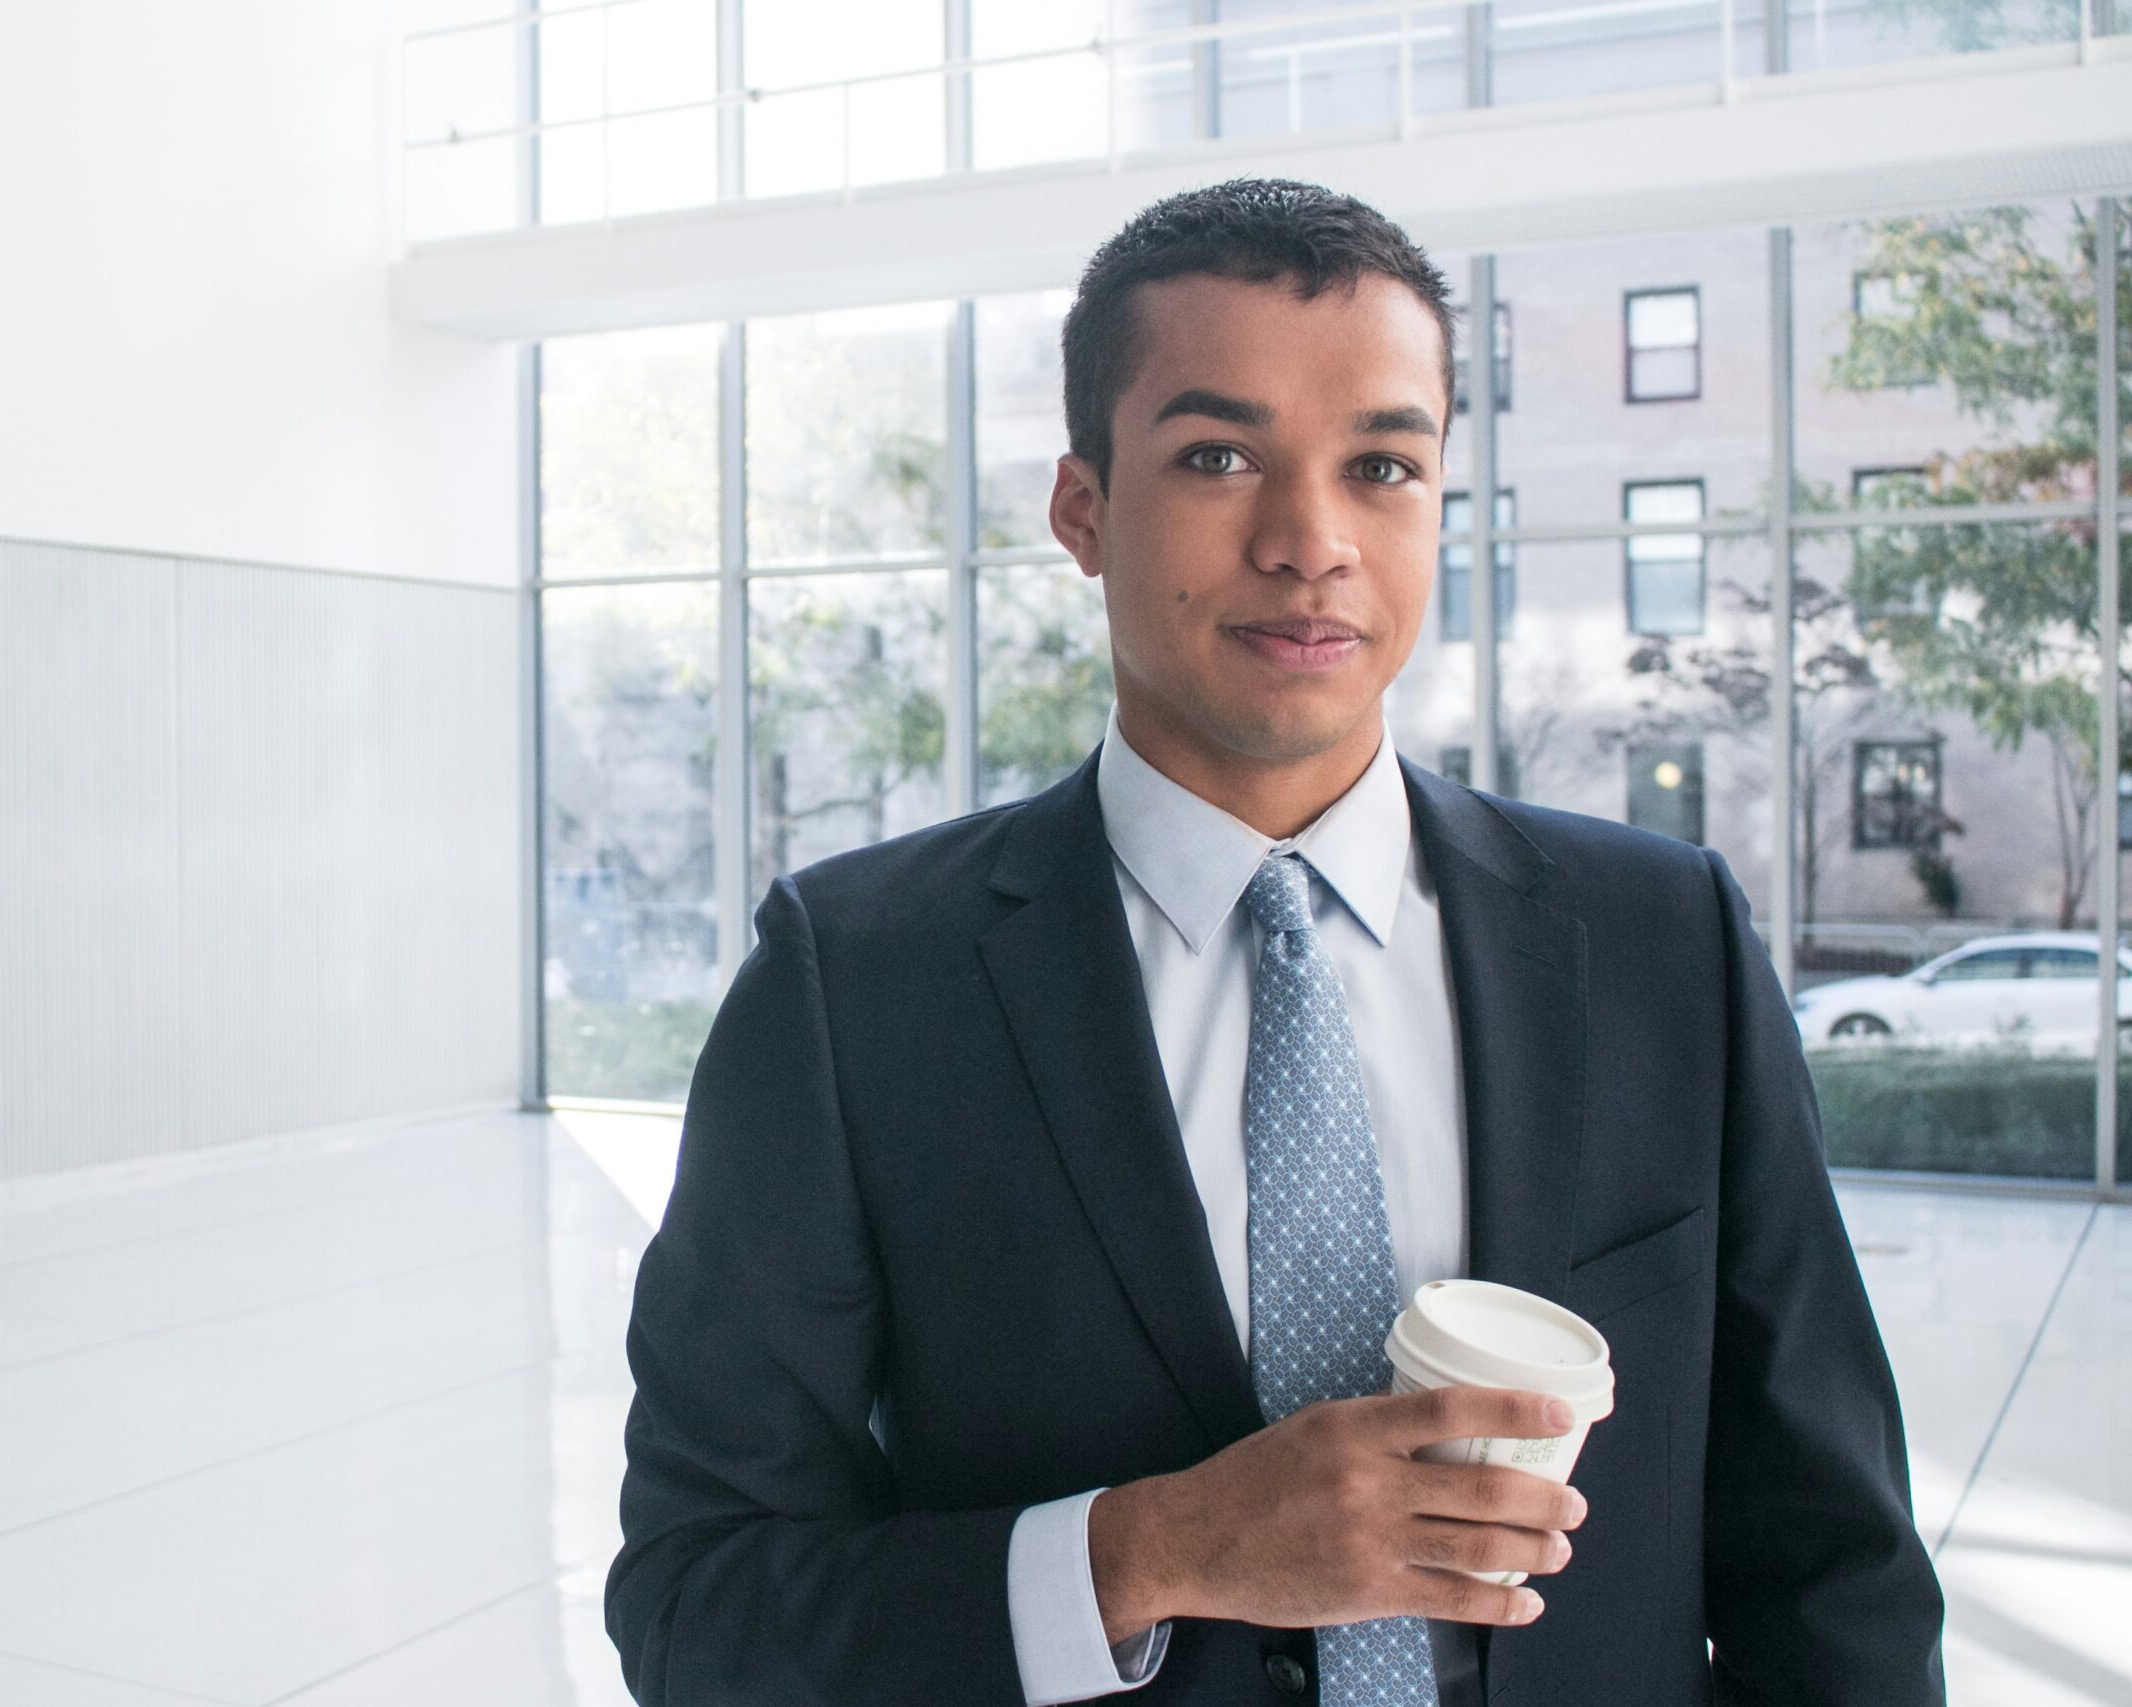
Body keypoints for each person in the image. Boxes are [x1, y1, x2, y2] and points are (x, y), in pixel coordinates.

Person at [603, 177, 1945, 1707]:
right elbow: (698, 1602)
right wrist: (1150, 1549)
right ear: (1083, 509)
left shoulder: (1662, 941)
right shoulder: (857, 984)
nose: (1310, 543)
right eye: (1219, 456)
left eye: (1382, 463)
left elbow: (1835, 1570)